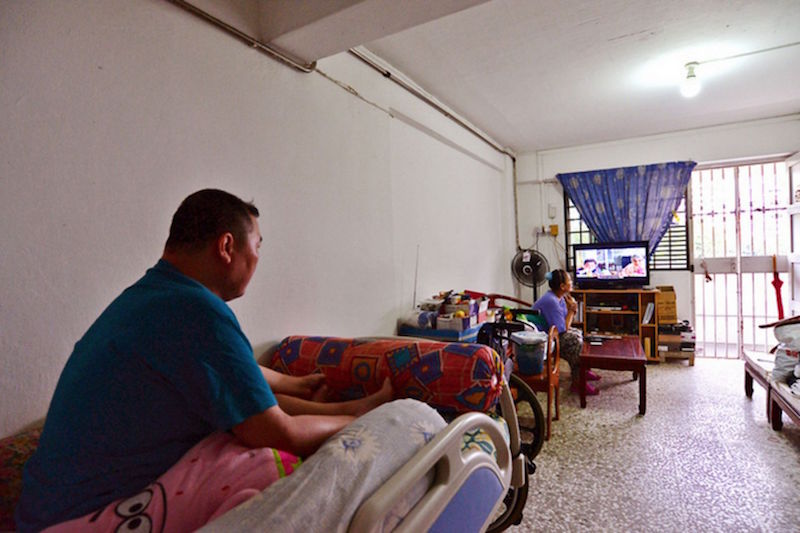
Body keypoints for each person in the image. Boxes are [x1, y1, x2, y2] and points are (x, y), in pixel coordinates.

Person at [16, 189, 392, 532]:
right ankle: (355, 408)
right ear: (228, 246)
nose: (258, 259)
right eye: (258, 245)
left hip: (40, 513)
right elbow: (282, 434)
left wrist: (292, 384)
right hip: (87, 519)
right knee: (259, 457)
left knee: (233, 409)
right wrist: (358, 420)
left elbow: (225, 371)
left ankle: (345, 405)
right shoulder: (197, 310)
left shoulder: (153, 297)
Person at [532, 269, 600, 396]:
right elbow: (563, 329)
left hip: (553, 333)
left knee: (579, 333)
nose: (572, 282)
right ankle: (578, 382)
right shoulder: (551, 301)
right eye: (569, 280)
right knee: (575, 342)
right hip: (543, 339)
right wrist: (573, 310)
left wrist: (570, 310)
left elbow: (564, 325)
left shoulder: (560, 297)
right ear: (562, 286)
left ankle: (582, 371)